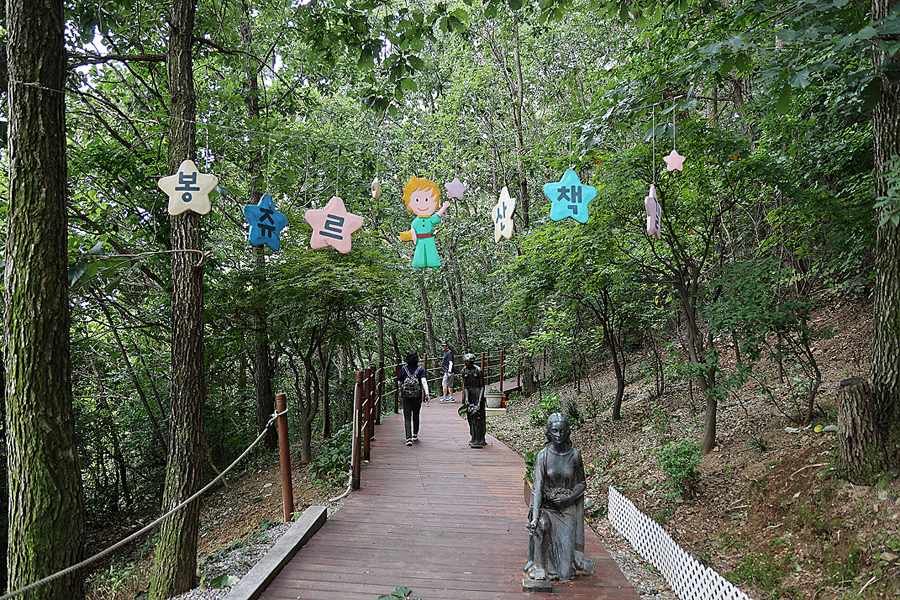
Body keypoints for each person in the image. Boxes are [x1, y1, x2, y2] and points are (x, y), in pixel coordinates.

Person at [525, 413, 595, 581]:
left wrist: (569, 498)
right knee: (542, 524)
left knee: (565, 575)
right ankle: (540, 567)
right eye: (555, 431)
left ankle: (567, 563)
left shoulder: (575, 456)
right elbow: (537, 489)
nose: (558, 435)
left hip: (566, 510)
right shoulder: (543, 456)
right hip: (547, 509)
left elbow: (582, 484)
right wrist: (534, 518)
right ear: (549, 432)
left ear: (568, 432)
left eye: (562, 431)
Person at [399, 176, 450, 269]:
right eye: (417, 200)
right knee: (420, 253)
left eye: (427, 200)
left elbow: (437, 216)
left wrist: (444, 207)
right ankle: (419, 263)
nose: (422, 203)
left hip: (429, 239)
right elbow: (413, 231)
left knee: (431, 252)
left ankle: (433, 263)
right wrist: (413, 239)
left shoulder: (429, 220)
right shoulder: (415, 222)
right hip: (420, 241)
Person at [397, 350, 430, 446]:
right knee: (416, 414)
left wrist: (401, 390)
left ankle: (408, 438)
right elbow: (424, 381)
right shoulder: (420, 369)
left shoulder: (404, 369)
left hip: (406, 396)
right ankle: (415, 433)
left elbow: (399, 382)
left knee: (407, 416)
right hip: (417, 396)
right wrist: (427, 394)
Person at [460, 353, 486, 448]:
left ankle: (479, 438)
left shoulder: (478, 370)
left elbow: (482, 386)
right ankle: (473, 436)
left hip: (478, 394)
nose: (467, 364)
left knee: (478, 417)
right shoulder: (464, 371)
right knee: (470, 418)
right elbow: (466, 386)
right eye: (466, 362)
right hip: (470, 394)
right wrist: (466, 399)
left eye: (469, 362)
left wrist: (479, 402)